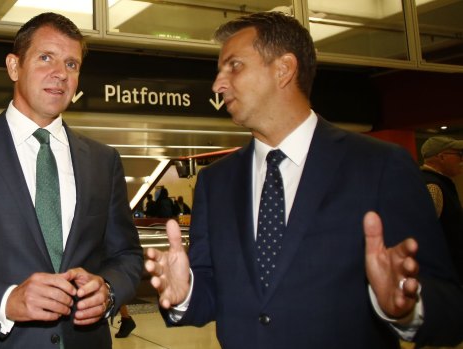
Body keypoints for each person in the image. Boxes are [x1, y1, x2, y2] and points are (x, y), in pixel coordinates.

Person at [145, 12, 463, 349]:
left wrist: (406, 307)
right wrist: (185, 293)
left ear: (284, 69)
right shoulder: (215, 182)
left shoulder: (380, 166)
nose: (217, 84)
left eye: (234, 66)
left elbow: (451, 308)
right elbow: (212, 291)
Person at [0, 12, 143, 349]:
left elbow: (127, 255)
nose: (60, 73)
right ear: (14, 66)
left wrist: (109, 289)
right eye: (46, 57)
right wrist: (6, 301)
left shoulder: (103, 161)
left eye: (72, 64)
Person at [420, 136, 463, 281]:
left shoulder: (437, 182)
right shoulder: (433, 186)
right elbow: (424, 233)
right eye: (458, 155)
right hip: (443, 274)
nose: (461, 160)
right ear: (442, 157)